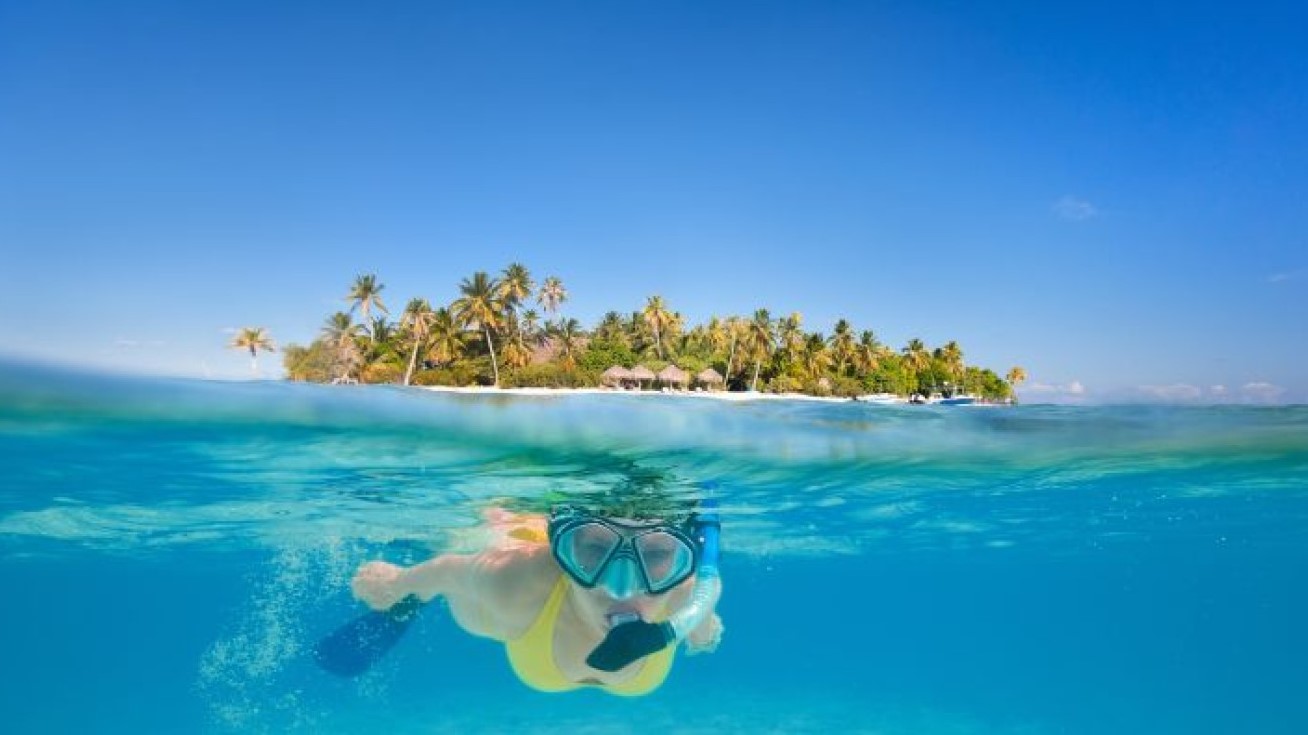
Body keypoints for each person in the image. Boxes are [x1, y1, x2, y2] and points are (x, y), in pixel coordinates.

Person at [350, 495, 724, 696]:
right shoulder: (517, 582)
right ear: (565, 553)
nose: (621, 588)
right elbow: (449, 568)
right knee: (463, 596)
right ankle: (421, 598)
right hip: (529, 627)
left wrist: (704, 630)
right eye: (594, 548)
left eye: (655, 555)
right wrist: (399, 584)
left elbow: (704, 617)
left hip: (541, 647)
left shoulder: (688, 591)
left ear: (685, 560)